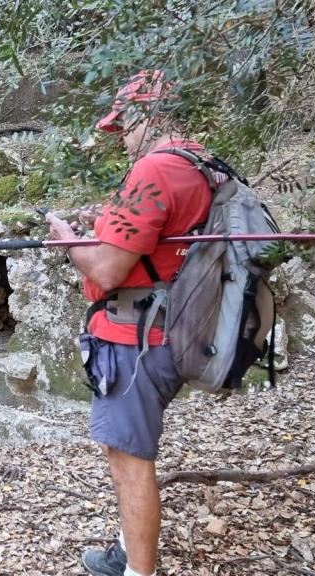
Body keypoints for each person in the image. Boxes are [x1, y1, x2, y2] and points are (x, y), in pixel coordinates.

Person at [46, 71, 214, 576]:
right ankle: (125, 548)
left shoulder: (156, 170)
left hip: (137, 338)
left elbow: (105, 268)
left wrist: (67, 238)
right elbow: (160, 237)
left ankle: (137, 570)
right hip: (181, 325)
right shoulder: (201, 162)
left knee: (128, 458)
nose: (122, 138)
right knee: (128, 450)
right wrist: (107, 223)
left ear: (150, 114)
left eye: (124, 125)